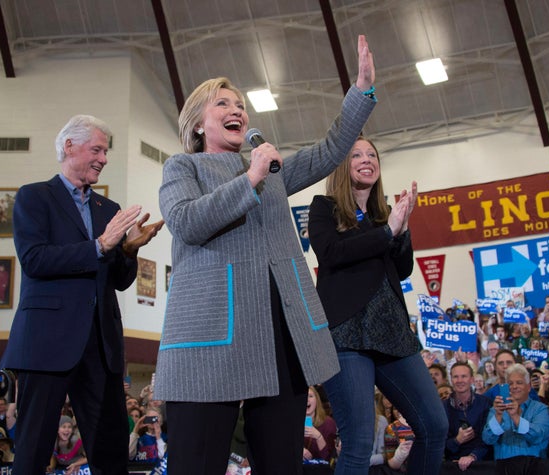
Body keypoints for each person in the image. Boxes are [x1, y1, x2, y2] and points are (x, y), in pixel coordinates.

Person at [154, 35, 376, 475]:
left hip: (279, 331)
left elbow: (330, 151)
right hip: (211, 335)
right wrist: (251, 177)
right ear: (197, 124)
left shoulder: (271, 172)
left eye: (239, 104)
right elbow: (186, 222)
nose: (236, 110)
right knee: (196, 462)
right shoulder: (183, 168)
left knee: (279, 462)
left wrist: (361, 92)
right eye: (222, 104)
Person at [0, 114, 164, 475]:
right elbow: (33, 260)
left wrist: (128, 250)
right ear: (69, 146)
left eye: (106, 152)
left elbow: (119, 281)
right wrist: (100, 245)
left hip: (101, 347)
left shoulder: (110, 210)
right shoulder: (34, 196)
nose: (104, 158)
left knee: (110, 453)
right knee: (32, 450)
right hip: (46, 344)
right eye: (97, 149)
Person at [307, 134, 447, 475]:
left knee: (434, 424)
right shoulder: (324, 208)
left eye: (372, 154)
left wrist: (401, 230)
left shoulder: (385, 215)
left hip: (392, 334)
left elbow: (401, 269)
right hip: (347, 334)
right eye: (357, 154)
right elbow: (331, 253)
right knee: (356, 440)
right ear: (343, 165)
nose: (367, 159)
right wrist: (386, 233)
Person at [482, 364, 549, 462]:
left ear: (528, 387)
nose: (514, 387)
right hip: (504, 469)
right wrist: (498, 416)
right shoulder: (496, 410)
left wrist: (515, 417)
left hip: (534, 469)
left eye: (519, 383)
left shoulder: (541, 409)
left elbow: (538, 436)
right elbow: (488, 439)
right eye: (510, 383)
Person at [442, 362, 491, 471]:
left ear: (472, 379)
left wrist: (473, 456)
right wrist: (457, 441)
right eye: (456, 377)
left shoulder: (485, 403)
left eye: (464, 376)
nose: (460, 380)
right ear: (451, 379)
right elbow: (439, 444)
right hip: (453, 466)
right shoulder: (442, 408)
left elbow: (489, 438)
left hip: (482, 465)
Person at [303, 386, 337, 463]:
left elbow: (330, 460)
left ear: (316, 400)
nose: (307, 399)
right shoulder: (293, 423)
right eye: (304, 396)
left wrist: (319, 437)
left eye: (310, 396)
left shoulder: (328, 423)